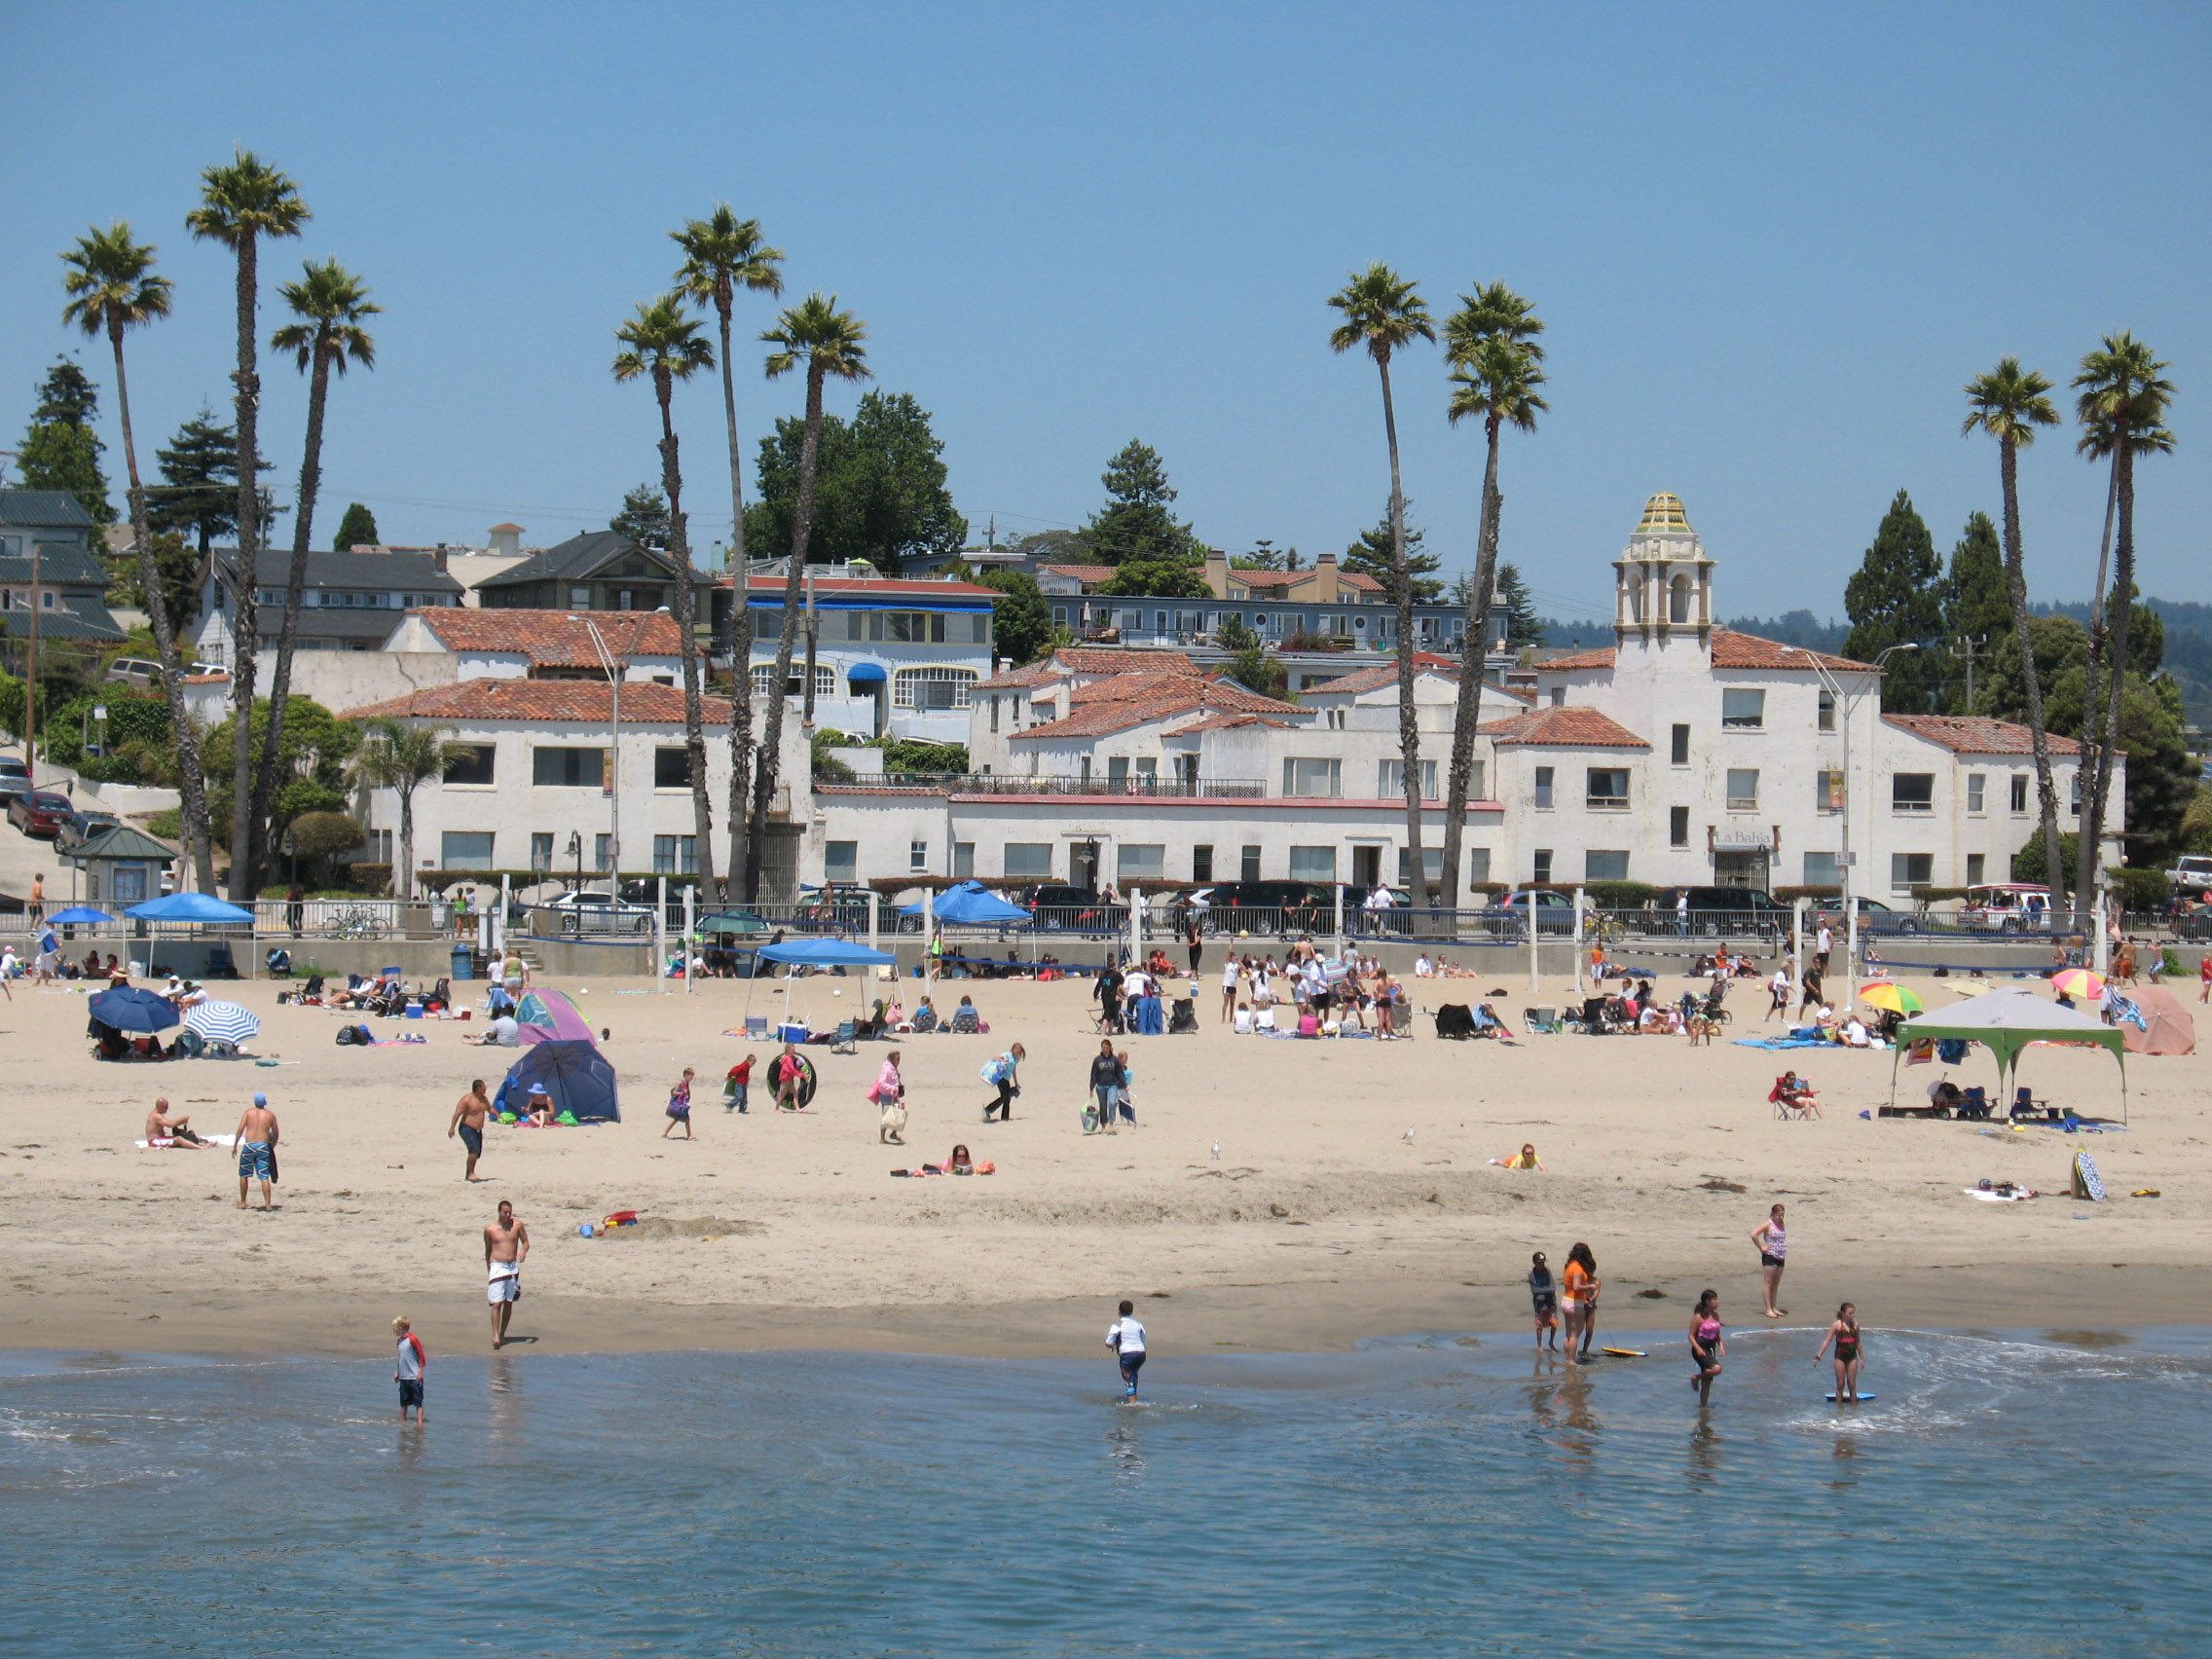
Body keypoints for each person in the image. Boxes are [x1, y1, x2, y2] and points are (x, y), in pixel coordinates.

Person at [485, 1198, 529, 1348]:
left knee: (508, 1302)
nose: (508, 1215)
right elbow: (488, 1251)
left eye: (510, 1213)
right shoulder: (490, 1230)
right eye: (505, 1213)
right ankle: (496, 1336)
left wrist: (523, 1251)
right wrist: (489, 1269)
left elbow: (526, 1242)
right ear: (499, 1212)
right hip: (497, 1265)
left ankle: (502, 1333)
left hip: (512, 1267)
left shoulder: (517, 1225)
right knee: (496, 1303)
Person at [233, 1092, 279, 1210]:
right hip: (263, 1146)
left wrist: (235, 1145)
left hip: (249, 1146)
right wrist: (272, 1146)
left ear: (254, 1102)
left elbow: (240, 1129)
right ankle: (268, 1204)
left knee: (244, 1174)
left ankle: (243, 1202)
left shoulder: (248, 1113)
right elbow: (276, 1133)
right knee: (264, 1176)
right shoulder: (270, 1115)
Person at [1816, 1302, 1866, 1402]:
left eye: (1853, 1313)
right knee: (1840, 1384)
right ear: (1843, 1313)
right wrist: (1818, 1356)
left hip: (1852, 1357)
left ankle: (1854, 1409)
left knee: (1852, 1384)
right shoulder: (1837, 1325)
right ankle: (1839, 1409)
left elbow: (1858, 1342)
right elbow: (1827, 1341)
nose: (1852, 1315)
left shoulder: (1856, 1326)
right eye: (1850, 1313)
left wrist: (1862, 1358)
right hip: (1840, 1357)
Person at [1561, 1242, 1598, 1365]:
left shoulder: (1569, 1266)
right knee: (1575, 1334)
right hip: (1574, 1303)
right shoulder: (1578, 1269)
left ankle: (1567, 1359)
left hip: (1566, 1300)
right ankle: (1571, 1360)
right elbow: (1576, 1287)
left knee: (1568, 1333)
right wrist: (1590, 1287)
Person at [448, 1079, 492, 1181]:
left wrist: (499, 1115)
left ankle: (468, 1175)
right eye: (484, 1086)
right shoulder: (467, 1100)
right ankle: (471, 1173)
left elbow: (490, 1109)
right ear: (478, 1088)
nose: (486, 1088)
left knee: (476, 1153)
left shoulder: (483, 1099)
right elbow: (457, 1114)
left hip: (478, 1130)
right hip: (466, 1128)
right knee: (474, 1150)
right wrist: (452, 1128)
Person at [1751, 1203, 1789, 1318]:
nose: (1781, 1217)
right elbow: (1754, 1234)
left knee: (1776, 1283)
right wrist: (1762, 1247)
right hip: (1770, 1255)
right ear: (1773, 1214)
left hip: (1781, 1255)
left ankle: (1773, 1307)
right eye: (1779, 1215)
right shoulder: (1768, 1224)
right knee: (1768, 1282)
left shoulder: (1781, 1224)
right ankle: (1768, 1309)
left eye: (1782, 1215)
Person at [1106, 1298, 1148, 1401]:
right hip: (1141, 1354)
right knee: (1133, 1375)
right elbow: (1143, 1338)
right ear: (1132, 1311)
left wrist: (1113, 1347)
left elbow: (1109, 1342)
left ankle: (1132, 1404)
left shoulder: (1117, 1325)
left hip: (1127, 1355)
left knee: (1129, 1379)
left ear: (1119, 1312)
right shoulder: (1138, 1324)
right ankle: (1133, 1397)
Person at [1689, 1289, 1725, 1404]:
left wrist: (1721, 1345)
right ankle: (1696, 1378)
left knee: (1707, 1380)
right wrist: (1698, 1349)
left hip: (1711, 1348)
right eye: (1715, 1299)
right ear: (1707, 1301)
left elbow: (1717, 1334)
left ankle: (1703, 1407)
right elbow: (1690, 1336)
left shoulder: (1716, 1315)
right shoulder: (1699, 1317)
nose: (1717, 1302)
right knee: (1717, 1369)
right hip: (1700, 1348)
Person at [392, 1316, 427, 1423]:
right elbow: (401, 1358)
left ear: (400, 1328)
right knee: (403, 1402)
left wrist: (420, 1372)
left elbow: (421, 1356)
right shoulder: (399, 1341)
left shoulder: (412, 1339)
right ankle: (403, 1422)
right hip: (403, 1377)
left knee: (418, 1402)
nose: (393, 1330)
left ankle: (420, 1424)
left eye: (394, 1327)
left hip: (414, 1376)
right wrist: (397, 1372)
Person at [981, 1042, 1024, 1123]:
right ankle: (988, 1109)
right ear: (1013, 1049)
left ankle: (1005, 1118)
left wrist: (1016, 1083)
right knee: (1005, 1096)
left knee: (1007, 1098)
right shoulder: (1007, 1055)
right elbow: (994, 1058)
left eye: (1019, 1052)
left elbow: (1013, 1071)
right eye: (1017, 1051)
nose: (1018, 1053)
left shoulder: (1015, 1059)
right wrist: (1004, 1060)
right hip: (1001, 1078)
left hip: (1007, 1079)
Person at [1528, 1251, 1560, 1352]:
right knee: (1539, 1324)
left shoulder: (1547, 1271)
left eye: (1543, 1262)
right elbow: (1535, 1290)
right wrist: (1546, 1290)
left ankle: (1551, 1342)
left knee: (1554, 1323)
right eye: (1540, 1263)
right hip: (1539, 1302)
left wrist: (1545, 1290)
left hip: (1551, 1300)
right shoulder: (1532, 1275)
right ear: (1535, 1263)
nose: (1542, 1265)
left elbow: (1552, 1287)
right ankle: (1540, 1346)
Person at [873, 1051, 906, 1144]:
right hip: (886, 1095)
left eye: (899, 1058)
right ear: (892, 1059)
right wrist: (891, 1088)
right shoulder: (887, 1069)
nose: (899, 1060)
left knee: (898, 1112)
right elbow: (882, 1083)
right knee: (887, 1116)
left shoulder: (893, 1068)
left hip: (894, 1095)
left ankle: (894, 1133)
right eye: (897, 1059)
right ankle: (882, 1138)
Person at [1088, 1039, 1122, 1128]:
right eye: (1103, 1048)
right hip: (1100, 1086)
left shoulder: (1115, 1060)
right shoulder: (1097, 1060)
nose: (1105, 1049)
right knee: (1103, 1106)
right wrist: (1091, 1088)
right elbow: (1093, 1075)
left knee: (1112, 1103)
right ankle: (1103, 1125)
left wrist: (1124, 1085)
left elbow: (1120, 1073)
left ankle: (1111, 1122)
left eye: (1106, 1047)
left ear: (1110, 1048)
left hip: (1112, 1085)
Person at [662, 1067, 695, 1140]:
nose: (691, 1079)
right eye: (691, 1077)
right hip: (679, 1105)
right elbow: (674, 1092)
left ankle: (665, 1133)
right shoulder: (680, 1083)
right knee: (686, 1119)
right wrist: (682, 1093)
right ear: (686, 1075)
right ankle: (689, 1136)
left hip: (682, 1104)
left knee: (677, 1119)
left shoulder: (686, 1084)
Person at [773, 1043, 807, 1111]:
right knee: (782, 1094)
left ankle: (797, 1108)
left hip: (790, 1079)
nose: (794, 1051)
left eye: (794, 1050)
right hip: (785, 1079)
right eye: (793, 1050)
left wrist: (798, 1065)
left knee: (795, 1093)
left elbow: (793, 1069)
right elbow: (791, 1070)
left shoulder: (790, 1059)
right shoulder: (788, 1059)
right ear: (788, 1050)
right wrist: (802, 1075)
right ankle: (776, 1109)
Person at [1095, 962, 1124, 1035]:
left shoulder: (1103, 974)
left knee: (1111, 1014)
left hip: (1104, 996)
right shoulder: (1115, 974)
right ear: (1114, 967)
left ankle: (1110, 1031)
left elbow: (1098, 986)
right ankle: (1103, 1032)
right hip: (1111, 996)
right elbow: (1121, 981)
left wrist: (1095, 995)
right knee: (1107, 1015)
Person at [1219, 952, 1240, 1023]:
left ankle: (1231, 1019)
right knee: (1226, 1002)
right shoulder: (1227, 964)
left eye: (1235, 956)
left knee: (1232, 1003)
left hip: (1233, 985)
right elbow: (1228, 953)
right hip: (1227, 985)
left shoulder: (1236, 965)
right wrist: (1231, 945)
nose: (1234, 957)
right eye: (1233, 956)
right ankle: (1223, 1019)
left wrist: (1239, 961)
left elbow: (1244, 968)